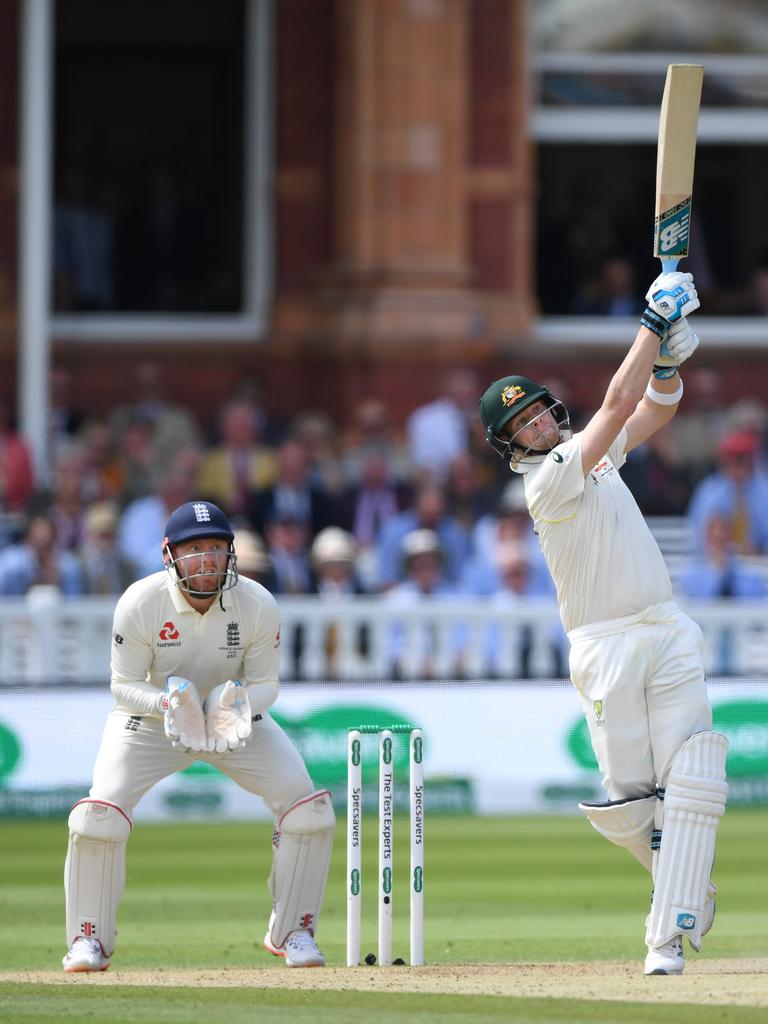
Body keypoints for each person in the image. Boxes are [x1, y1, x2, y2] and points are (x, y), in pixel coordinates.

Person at [479, 270, 728, 976]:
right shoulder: (548, 478)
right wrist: (651, 323)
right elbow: (620, 402)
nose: (537, 422)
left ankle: (665, 937)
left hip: (665, 628)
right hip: (605, 650)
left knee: (694, 778)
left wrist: (670, 362)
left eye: (538, 411)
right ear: (512, 444)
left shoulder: (592, 452)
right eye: (521, 423)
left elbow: (651, 409)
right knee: (630, 803)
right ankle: (682, 879)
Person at [62, 500, 334, 974]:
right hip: (150, 723)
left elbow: (267, 682)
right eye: (194, 549)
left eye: (215, 548)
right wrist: (166, 704)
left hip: (230, 718)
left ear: (231, 554)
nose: (205, 559)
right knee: (99, 814)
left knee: (306, 807)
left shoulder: (257, 603)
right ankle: (89, 940)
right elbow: (122, 685)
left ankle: (293, 930)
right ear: (169, 554)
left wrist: (240, 706)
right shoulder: (140, 602)